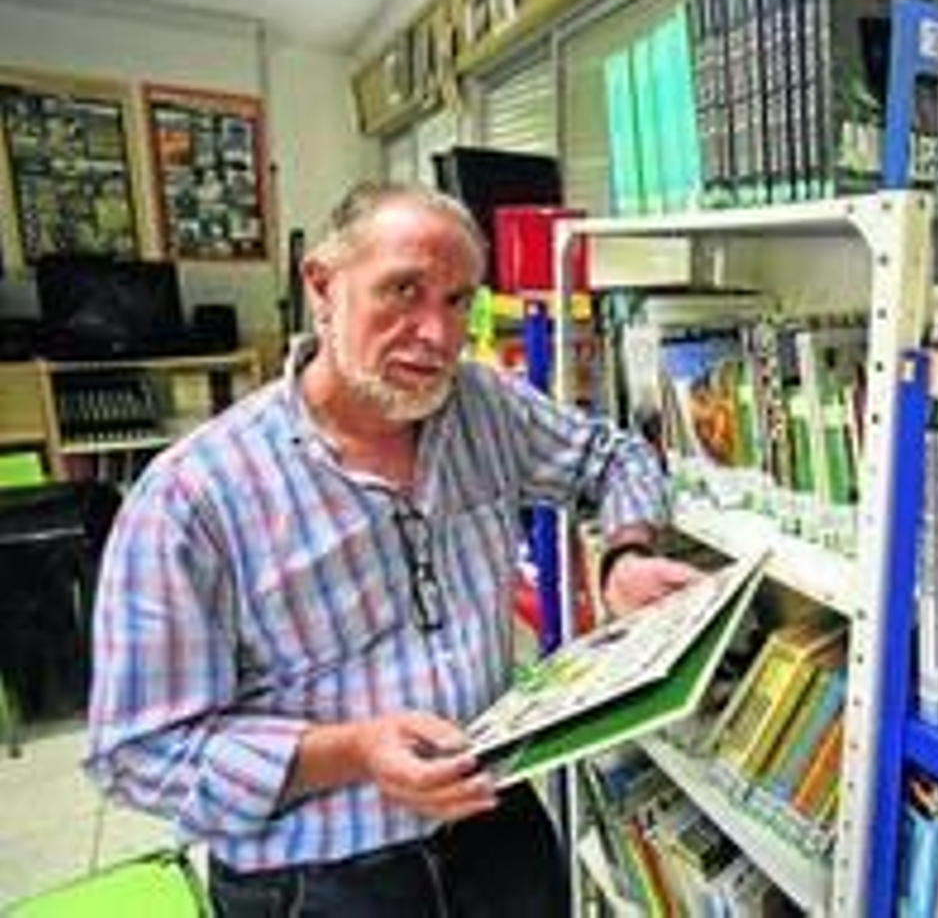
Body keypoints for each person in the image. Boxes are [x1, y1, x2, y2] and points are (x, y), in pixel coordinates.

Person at [84, 182, 700, 917]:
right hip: (320, 877)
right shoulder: (193, 497)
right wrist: (350, 751)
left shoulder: (484, 404)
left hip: (494, 819)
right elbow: (137, 753)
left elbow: (614, 456)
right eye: (403, 291)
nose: (438, 336)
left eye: (456, 301)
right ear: (322, 285)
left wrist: (621, 558)